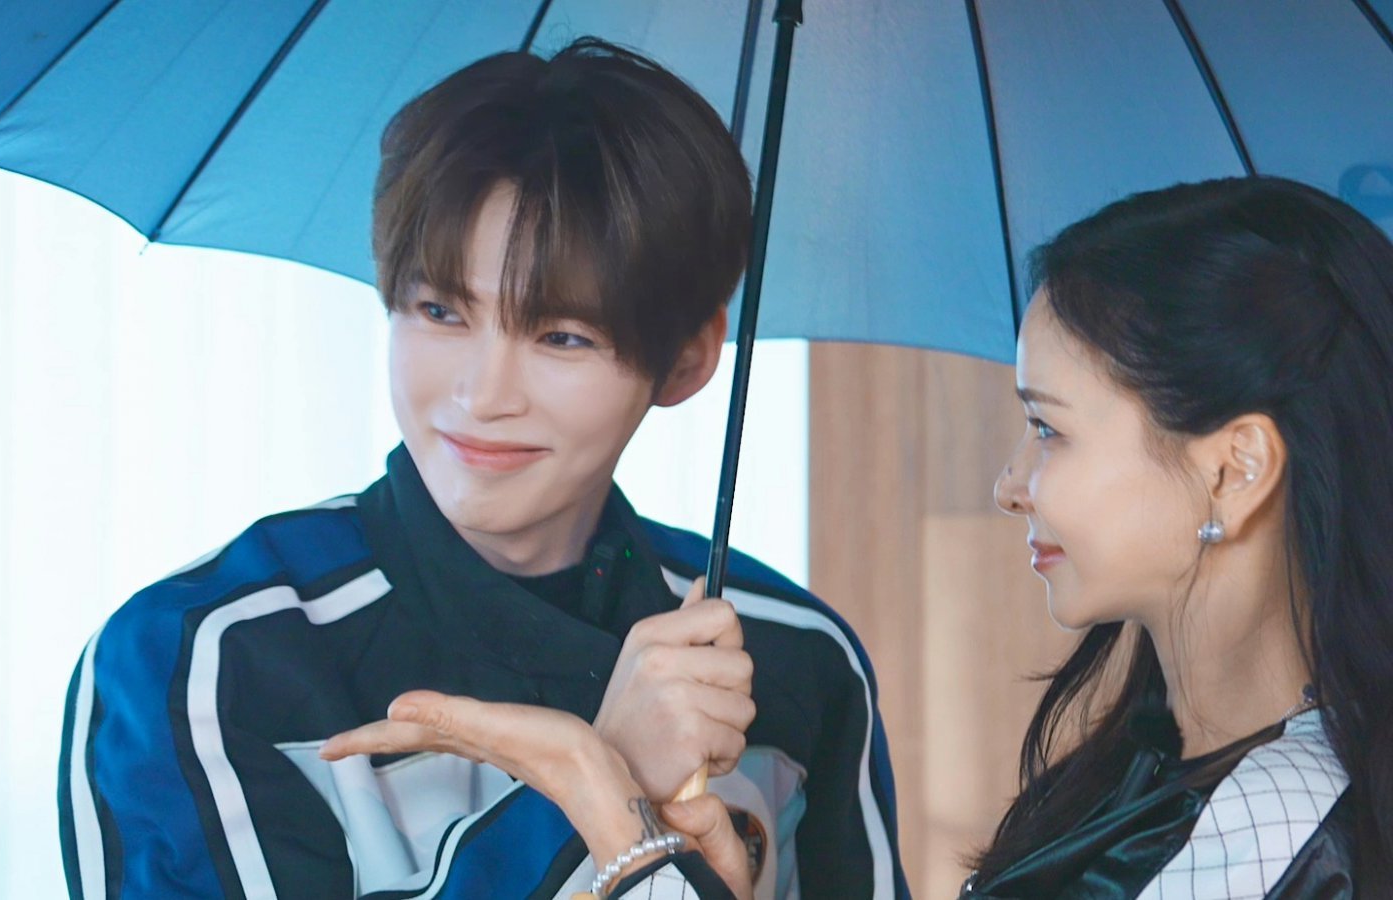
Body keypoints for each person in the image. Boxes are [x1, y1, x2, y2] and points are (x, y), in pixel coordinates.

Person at [58, 37, 905, 900]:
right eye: (440, 311)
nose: (482, 394)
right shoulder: (202, 658)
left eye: (561, 336)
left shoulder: (798, 661)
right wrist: (599, 785)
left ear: (686, 360)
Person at [960, 176, 1393, 897]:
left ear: (1234, 469)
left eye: (1047, 429)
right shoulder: (1135, 775)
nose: (1009, 485)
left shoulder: (1276, 828)